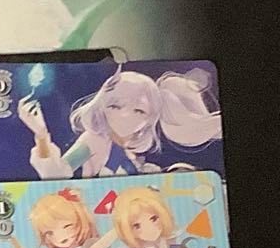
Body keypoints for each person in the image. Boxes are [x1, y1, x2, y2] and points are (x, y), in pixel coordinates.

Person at [17, 67, 221, 178]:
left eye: (139, 111)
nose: (125, 116)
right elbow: (57, 173)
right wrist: (41, 134)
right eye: (115, 106)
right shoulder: (95, 140)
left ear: (150, 119)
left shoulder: (130, 151)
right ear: (102, 106)